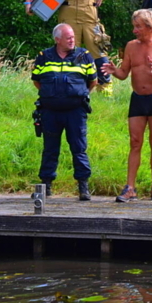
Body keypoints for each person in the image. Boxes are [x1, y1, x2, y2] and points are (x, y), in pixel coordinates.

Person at [100, 9, 152, 203]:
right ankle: (130, 188)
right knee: (135, 142)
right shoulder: (131, 46)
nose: (134, 30)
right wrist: (113, 70)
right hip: (138, 98)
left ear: (150, 27)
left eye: (138, 27)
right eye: (134, 26)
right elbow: (124, 73)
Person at [31, 23, 98, 201]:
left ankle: (83, 187)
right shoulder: (44, 57)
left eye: (73, 37)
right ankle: (46, 186)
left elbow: (93, 81)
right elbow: (37, 81)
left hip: (75, 112)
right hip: (50, 112)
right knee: (50, 149)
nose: (72, 40)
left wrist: (78, 96)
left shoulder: (84, 56)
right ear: (57, 39)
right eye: (68, 37)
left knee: (79, 148)